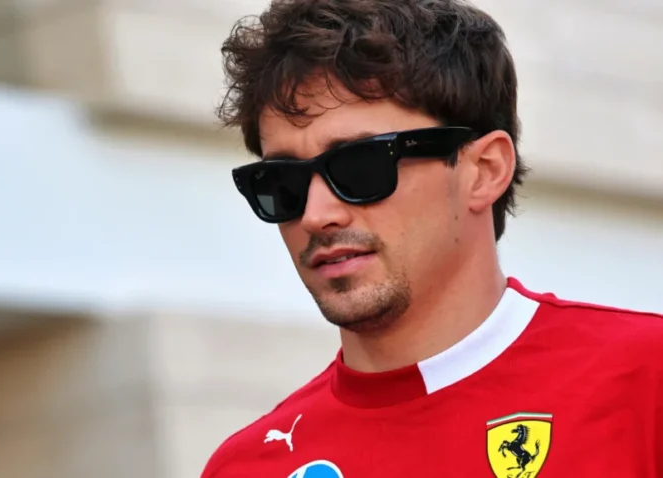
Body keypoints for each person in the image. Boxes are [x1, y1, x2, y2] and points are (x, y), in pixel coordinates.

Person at [200, 1, 663, 477]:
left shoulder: (646, 384)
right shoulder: (246, 467)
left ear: (485, 170)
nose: (316, 215)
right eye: (282, 183)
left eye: (360, 167)